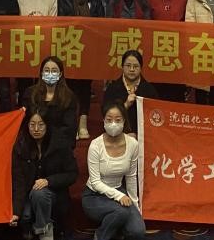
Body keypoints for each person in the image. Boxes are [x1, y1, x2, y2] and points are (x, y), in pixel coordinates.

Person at [11, 109, 79, 240]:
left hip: (55, 192)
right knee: (25, 216)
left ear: (48, 125)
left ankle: (45, 233)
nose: (36, 129)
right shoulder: (20, 146)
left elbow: (72, 174)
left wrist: (49, 181)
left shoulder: (60, 143)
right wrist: (16, 212)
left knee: (39, 193)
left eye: (41, 125)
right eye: (32, 125)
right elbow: (19, 182)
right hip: (27, 194)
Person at [82, 102, 146, 240]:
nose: (113, 124)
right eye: (109, 119)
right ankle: (101, 236)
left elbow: (131, 177)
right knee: (121, 212)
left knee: (138, 231)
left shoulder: (133, 144)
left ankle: (117, 230)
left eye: (118, 120)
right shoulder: (95, 145)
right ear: (103, 121)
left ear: (124, 121)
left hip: (119, 190)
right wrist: (119, 196)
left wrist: (136, 208)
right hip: (94, 195)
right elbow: (95, 182)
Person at [59, 0, 104, 138]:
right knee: (69, 86)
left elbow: (101, 21)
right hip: (69, 45)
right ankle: (71, 122)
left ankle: (83, 123)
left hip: (89, 48)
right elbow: (60, 20)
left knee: (85, 87)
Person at [145, 0, 187, 102]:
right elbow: (147, 21)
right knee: (158, 76)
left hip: (177, 45)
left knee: (175, 77)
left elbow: (186, 21)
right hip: (156, 45)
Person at [21, 57, 79, 148]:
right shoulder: (30, 93)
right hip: (33, 144)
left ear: (60, 74)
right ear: (42, 73)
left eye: (54, 71)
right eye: (47, 70)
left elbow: (69, 128)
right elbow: (24, 122)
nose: (50, 74)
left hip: (58, 145)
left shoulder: (69, 97)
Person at [102, 50, 158, 136]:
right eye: (128, 66)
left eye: (136, 66)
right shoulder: (112, 89)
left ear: (141, 68)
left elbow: (155, 116)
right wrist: (126, 105)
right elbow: (106, 115)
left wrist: (138, 135)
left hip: (143, 137)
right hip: (116, 136)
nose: (132, 69)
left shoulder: (149, 90)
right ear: (122, 67)